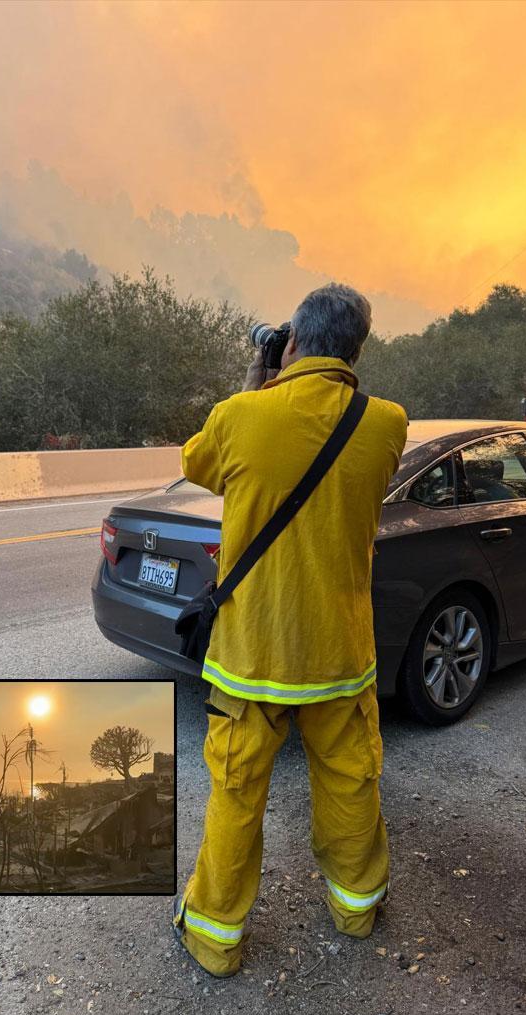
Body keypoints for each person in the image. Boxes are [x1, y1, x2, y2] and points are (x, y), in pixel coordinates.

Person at [172, 283, 408, 978]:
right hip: (339, 655)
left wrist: (259, 375)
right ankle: (356, 908)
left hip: (251, 656)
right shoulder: (387, 422)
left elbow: (198, 463)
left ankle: (215, 940)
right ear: (357, 348)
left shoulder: (241, 416)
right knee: (350, 783)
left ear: (293, 340)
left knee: (238, 793)